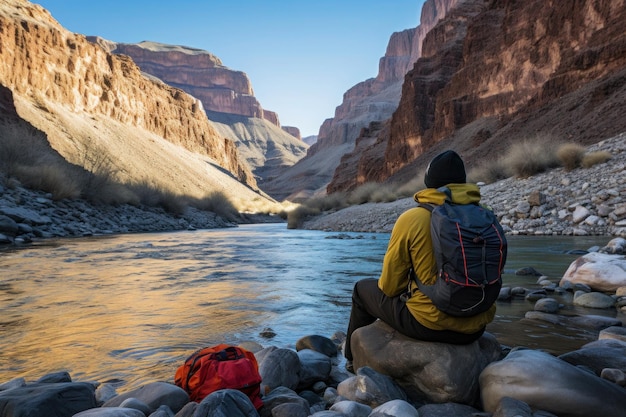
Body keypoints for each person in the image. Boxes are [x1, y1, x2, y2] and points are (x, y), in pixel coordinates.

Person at [344, 150, 496, 372]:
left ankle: (350, 360)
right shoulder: (484, 214)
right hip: (477, 325)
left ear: (428, 183)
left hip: (431, 325)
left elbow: (389, 287)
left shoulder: (413, 217)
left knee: (361, 290)